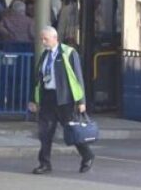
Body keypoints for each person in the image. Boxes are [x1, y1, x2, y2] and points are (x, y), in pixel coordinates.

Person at [28, 26, 94, 175]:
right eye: (42, 39)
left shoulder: (68, 53)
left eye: (45, 39)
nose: (43, 42)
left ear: (55, 38)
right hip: (48, 98)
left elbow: (78, 77)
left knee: (73, 132)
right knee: (45, 133)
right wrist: (33, 99)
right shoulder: (44, 55)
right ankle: (44, 163)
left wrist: (81, 101)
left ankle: (87, 156)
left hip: (65, 99)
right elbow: (38, 79)